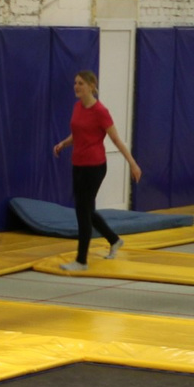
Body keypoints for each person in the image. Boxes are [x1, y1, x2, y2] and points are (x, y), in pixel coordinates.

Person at [53, 70, 142, 270]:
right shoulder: (77, 107)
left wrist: (132, 163)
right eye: (75, 83)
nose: (76, 86)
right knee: (86, 210)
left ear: (92, 86)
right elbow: (78, 133)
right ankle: (114, 239)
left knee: (82, 211)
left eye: (81, 83)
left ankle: (81, 261)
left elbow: (116, 139)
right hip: (77, 164)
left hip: (94, 167)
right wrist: (64, 144)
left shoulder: (101, 111)